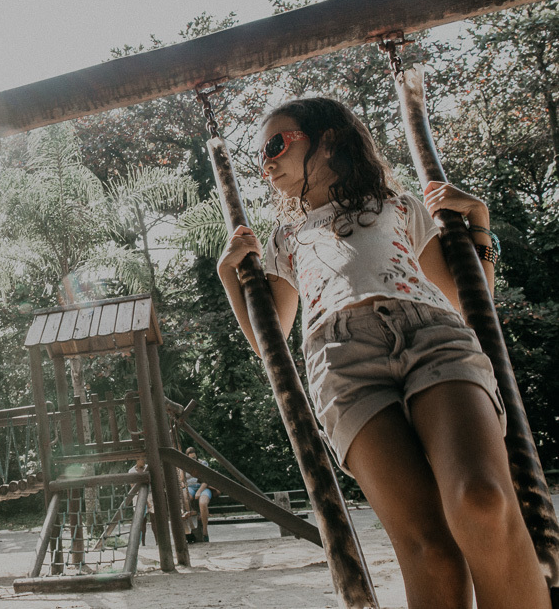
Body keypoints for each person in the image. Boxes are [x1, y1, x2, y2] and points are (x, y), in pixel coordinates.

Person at [217, 97, 548, 608]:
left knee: (482, 499)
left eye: (276, 145)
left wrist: (478, 221)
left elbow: (470, 299)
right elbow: (271, 341)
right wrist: (230, 274)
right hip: (340, 358)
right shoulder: (284, 236)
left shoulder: (397, 205)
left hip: (430, 332)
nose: (267, 163)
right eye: (260, 155)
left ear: (327, 139)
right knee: (427, 544)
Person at [182, 447, 213, 542]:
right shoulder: (184, 466)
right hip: (190, 487)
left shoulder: (202, 463)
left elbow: (206, 480)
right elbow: (182, 481)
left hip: (202, 487)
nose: (193, 460)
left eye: (194, 458)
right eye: (191, 458)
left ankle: (205, 531)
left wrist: (199, 491)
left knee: (203, 503)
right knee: (185, 498)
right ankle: (191, 525)